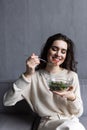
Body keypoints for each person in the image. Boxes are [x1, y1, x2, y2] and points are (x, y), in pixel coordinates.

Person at [3, 33, 85, 130]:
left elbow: (78, 112)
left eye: (63, 51)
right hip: (48, 123)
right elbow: (7, 101)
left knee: (72, 127)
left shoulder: (71, 76)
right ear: (47, 50)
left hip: (72, 122)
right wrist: (28, 74)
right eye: (54, 49)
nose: (58, 54)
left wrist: (71, 97)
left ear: (66, 55)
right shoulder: (33, 77)